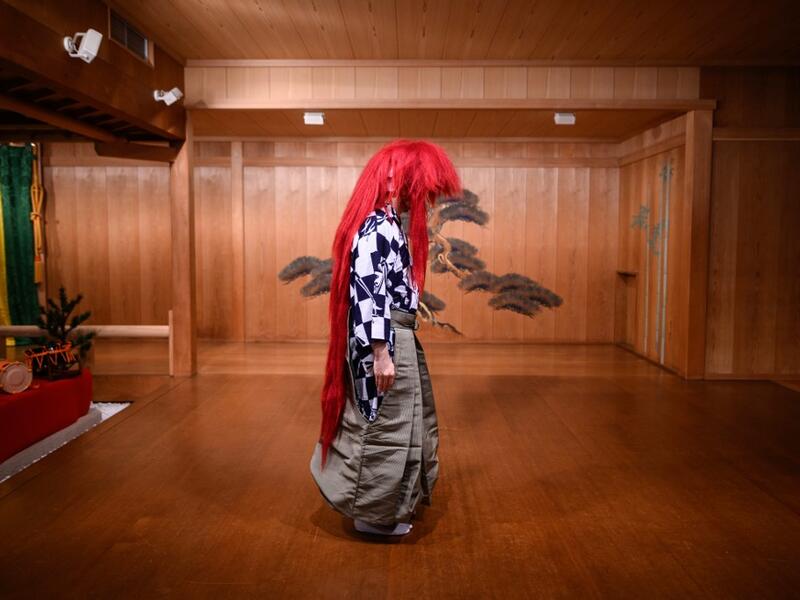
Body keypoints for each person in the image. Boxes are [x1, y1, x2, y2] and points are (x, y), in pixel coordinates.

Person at [310, 139, 461, 536]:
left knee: (399, 420)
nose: (425, 199)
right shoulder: (377, 228)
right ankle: (371, 512)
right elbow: (369, 293)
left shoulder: (390, 227)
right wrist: (380, 353)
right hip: (384, 338)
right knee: (382, 423)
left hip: (396, 335)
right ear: (398, 182)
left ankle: (388, 506)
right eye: (422, 188)